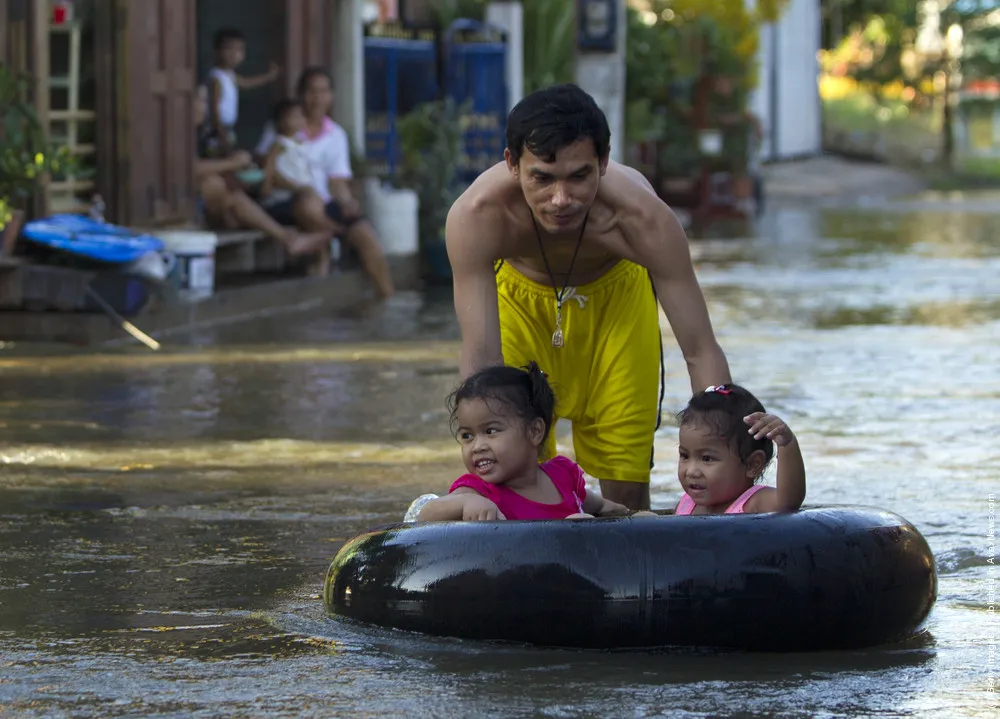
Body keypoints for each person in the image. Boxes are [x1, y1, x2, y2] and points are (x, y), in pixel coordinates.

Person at [445, 83, 731, 511]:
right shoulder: (477, 218)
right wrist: (480, 471)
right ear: (512, 164)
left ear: (603, 162)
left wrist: (725, 452)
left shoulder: (644, 219)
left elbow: (699, 349)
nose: (561, 200)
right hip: (521, 305)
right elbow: (482, 361)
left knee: (626, 486)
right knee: (517, 477)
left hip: (617, 303)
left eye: (579, 177)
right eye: (542, 178)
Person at [417, 363, 630, 522]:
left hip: (571, 575)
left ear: (534, 431)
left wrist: (635, 518)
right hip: (521, 577)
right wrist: (466, 503)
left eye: (490, 431)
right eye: (467, 436)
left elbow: (602, 506)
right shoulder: (480, 491)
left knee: (582, 520)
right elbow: (425, 515)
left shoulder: (562, 476)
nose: (477, 446)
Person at [255, 67, 395, 298]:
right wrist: (298, 188)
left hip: (323, 203)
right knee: (308, 202)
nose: (317, 98)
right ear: (300, 94)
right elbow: (264, 168)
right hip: (286, 201)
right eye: (311, 91)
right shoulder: (281, 127)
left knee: (365, 234)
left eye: (323, 92)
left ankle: (386, 297)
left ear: (331, 96)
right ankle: (336, 239)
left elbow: (337, 181)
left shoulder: (336, 135)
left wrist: (347, 201)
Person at [193, 85, 330, 258]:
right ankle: (290, 238)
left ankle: (290, 239)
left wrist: (238, 166)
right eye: (199, 100)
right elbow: (190, 168)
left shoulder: (204, 134)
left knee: (235, 200)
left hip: (219, 206)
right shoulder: (280, 144)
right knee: (217, 186)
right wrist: (231, 163)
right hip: (193, 203)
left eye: (205, 101)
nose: (203, 107)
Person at [671, 384, 805, 515]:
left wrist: (787, 444)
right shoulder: (685, 505)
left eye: (707, 458)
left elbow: (787, 502)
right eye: (685, 456)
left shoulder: (755, 504)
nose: (691, 471)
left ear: (752, 465)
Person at [205, 27, 280, 158]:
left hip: (228, 129)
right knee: (220, 159)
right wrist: (221, 134)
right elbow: (214, 111)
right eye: (229, 49)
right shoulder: (217, 78)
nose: (235, 54)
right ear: (217, 51)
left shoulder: (230, 75)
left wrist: (269, 77)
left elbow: (246, 83)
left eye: (239, 49)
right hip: (217, 131)